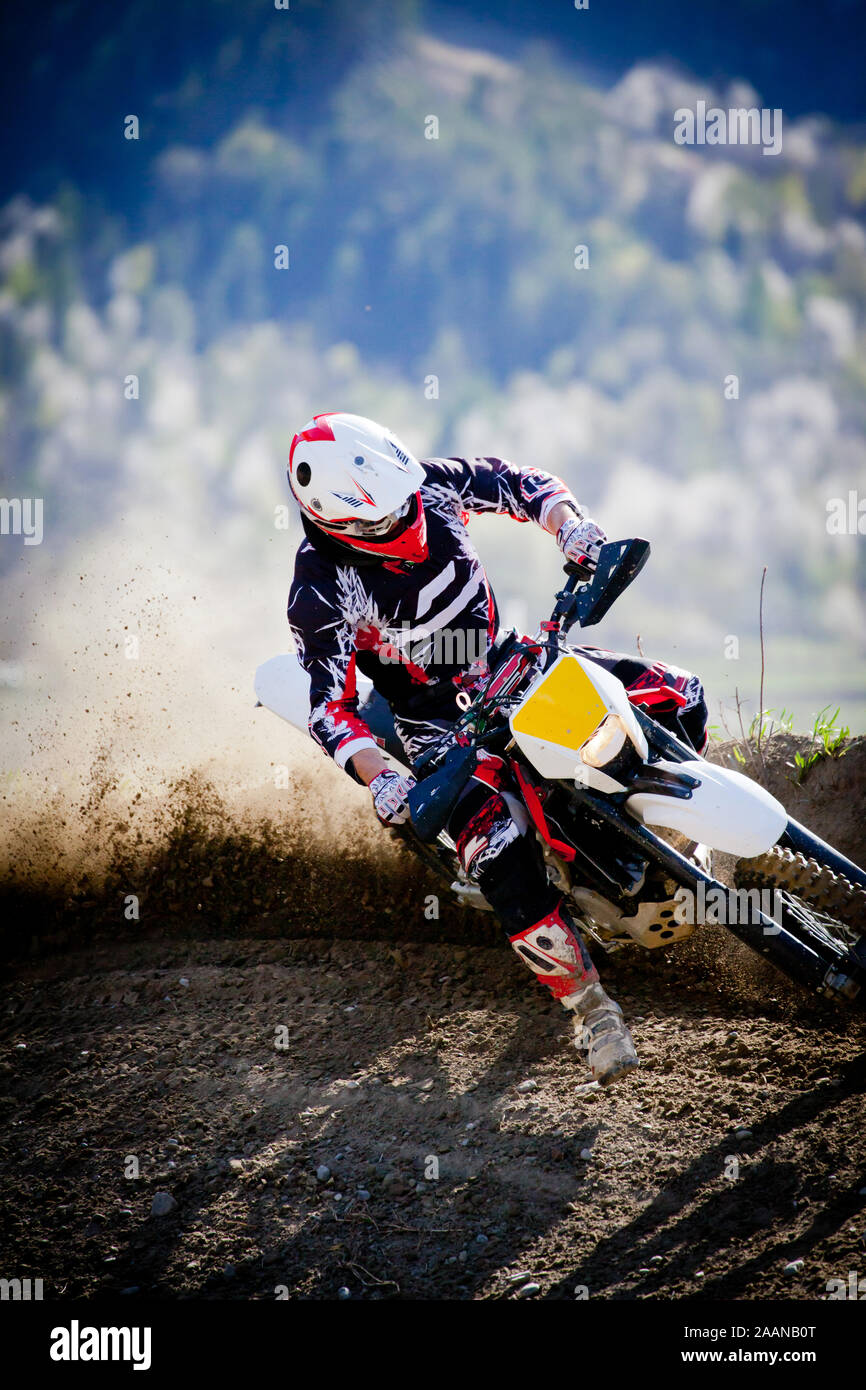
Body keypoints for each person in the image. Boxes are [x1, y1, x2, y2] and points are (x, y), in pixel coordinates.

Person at [286, 413, 708, 1086]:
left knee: (680, 695)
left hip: (519, 667)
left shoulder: (430, 485)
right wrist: (379, 779)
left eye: (405, 503)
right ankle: (591, 1009)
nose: (407, 524)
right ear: (339, 525)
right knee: (498, 853)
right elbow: (327, 709)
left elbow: (517, 482)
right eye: (382, 522)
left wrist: (569, 524)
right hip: (442, 733)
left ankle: (671, 827)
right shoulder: (322, 588)